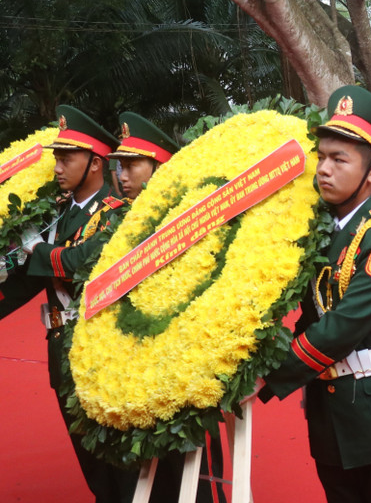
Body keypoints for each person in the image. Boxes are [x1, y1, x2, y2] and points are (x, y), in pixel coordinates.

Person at [260, 86, 371, 502]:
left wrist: (267, 375)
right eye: (321, 157)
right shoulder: (315, 235)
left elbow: (343, 327)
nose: (324, 169)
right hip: (329, 410)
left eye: (340, 160)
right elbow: (308, 318)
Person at [5, 106, 138, 502]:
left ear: (95, 164)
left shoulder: (117, 213)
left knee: (123, 465)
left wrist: (37, 249)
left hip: (102, 350)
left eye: (67, 159)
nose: (58, 167)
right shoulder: (59, 216)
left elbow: (80, 264)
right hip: (61, 348)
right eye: (56, 158)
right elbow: (28, 280)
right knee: (93, 467)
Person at [106, 113, 227, 502]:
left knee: (194, 475)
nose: (122, 175)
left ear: (158, 168)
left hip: (181, 366)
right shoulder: (117, 223)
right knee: (145, 479)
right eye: (119, 167)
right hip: (132, 367)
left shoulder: (190, 222)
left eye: (131, 166)